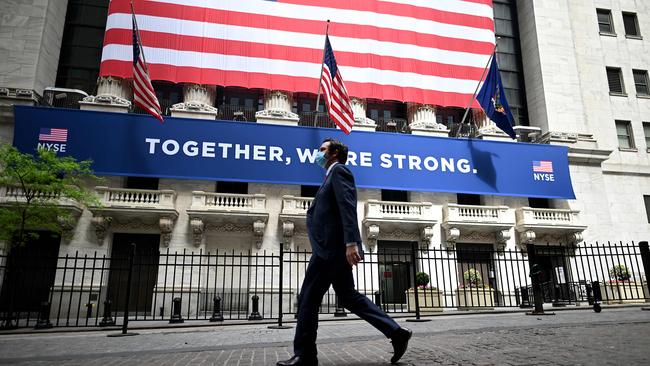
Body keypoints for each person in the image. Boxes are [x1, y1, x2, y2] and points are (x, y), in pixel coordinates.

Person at [277, 138, 412, 366]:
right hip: (331, 248)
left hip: (330, 249)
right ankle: (397, 333)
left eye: (322, 150)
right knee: (349, 297)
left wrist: (351, 242)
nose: (318, 153)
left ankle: (305, 356)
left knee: (308, 299)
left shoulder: (339, 171)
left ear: (334, 153)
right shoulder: (330, 175)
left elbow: (347, 207)